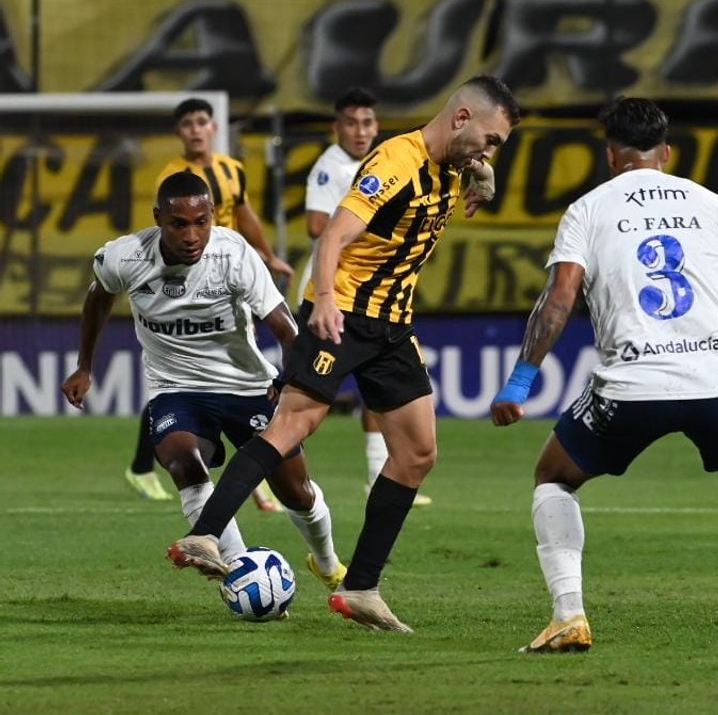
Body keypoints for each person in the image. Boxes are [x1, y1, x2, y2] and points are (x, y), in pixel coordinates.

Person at [490, 97, 718, 654]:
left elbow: (557, 301)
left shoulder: (589, 209)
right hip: (716, 381)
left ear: (610, 154)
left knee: (554, 476)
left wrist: (520, 381)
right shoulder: (713, 205)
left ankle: (569, 616)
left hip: (633, 386)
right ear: (665, 152)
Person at [167, 74, 521, 632]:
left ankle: (360, 588)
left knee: (420, 453)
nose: (490, 151)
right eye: (491, 138)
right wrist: (325, 299)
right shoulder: (394, 163)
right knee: (294, 425)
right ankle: (204, 533)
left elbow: (470, 171)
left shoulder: (454, 164)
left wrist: (483, 173)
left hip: (393, 327)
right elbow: (331, 235)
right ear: (461, 119)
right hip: (345, 312)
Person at [63, 172, 346, 593]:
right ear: (158, 218)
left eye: (202, 221)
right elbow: (98, 297)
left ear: (213, 216)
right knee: (182, 461)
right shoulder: (125, 257)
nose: (192, 234)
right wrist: (85, 365)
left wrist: (289, 380)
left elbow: (286, 327)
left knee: (296, 492)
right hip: (175, 388)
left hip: (246, 387)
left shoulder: (233, 254)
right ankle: (238, 572)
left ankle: (327, 563)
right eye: (179, 224)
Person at [125, 97, 294, 511]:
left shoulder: (231, 168)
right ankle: (149, 465)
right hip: (190, 282)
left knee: (234, 369)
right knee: (184, 378)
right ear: (178, 132)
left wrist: (267, 256)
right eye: (187, 124)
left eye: (202, 121)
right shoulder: (173, 177)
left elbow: (245, 212)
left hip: (234, 279)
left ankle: (250, 474)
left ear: (213, 127)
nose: (196, 130)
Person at [299, 86, 431, 506]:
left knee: (378, 392)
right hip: (334, 292)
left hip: (369, 296)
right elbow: (318, 225)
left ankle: (378, 473)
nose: (361, 131)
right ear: (336, 127)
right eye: (352, 123)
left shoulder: (388, 163)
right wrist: (360, 227)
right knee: (304, 401)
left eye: (368, 122)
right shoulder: (331, 167)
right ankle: (267, 459)